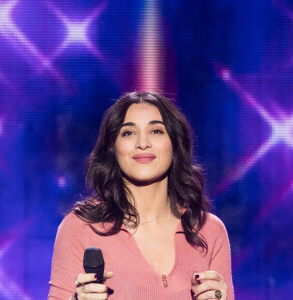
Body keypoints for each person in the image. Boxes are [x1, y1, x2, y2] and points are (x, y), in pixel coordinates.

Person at [48, 91, 234, 300]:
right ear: (113, 149)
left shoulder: (208, 230)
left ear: (174, 146)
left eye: (156, 131)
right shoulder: (80, 228)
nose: (142, 143)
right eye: (128, 133)